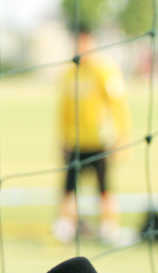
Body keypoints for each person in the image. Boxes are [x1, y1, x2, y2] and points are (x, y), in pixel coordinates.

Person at [53, 28, 132, 244]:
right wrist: (62, 139)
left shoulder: (104, 70)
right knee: (69, 187)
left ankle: (109, 226)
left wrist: (121, 136)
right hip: (75, 142)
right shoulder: (69, 73)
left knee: (104, 187)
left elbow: (118, 105)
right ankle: (66, 226)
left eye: (85, 42)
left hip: (100, 141)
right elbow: (63, 111)